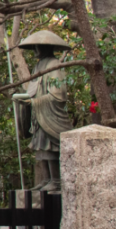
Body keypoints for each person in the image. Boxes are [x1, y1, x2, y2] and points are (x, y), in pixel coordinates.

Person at [12, 30, 74, 192]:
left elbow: (58, 95)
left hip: (49, 113)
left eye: (38, 47)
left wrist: (35, 101)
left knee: (50, 146)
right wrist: (24, 98)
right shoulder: (39, 65)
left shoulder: (54, 65)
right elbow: (33, 89)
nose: (35, 50)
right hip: (39, 115)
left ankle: (56, 180)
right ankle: (46, 179)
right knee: (40, 146)